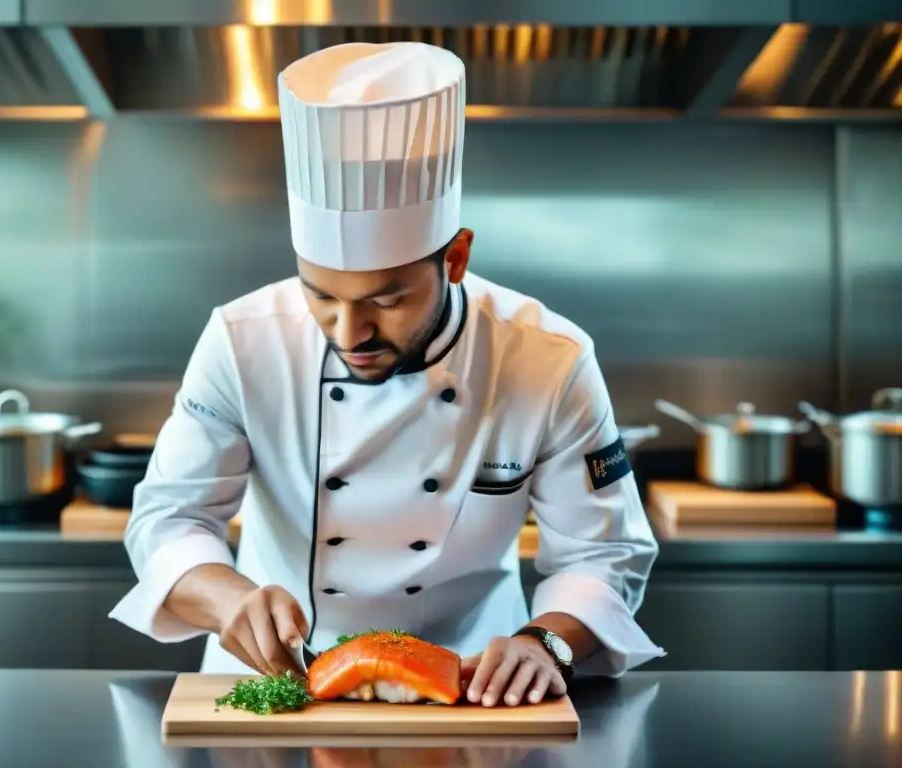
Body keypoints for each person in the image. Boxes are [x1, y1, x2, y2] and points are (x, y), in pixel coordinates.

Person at [109, 40, 665, 707]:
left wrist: (547, 641)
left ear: (455, 257)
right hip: (275, 687)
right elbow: (168, 518)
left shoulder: (548, 359)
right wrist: (228, 599)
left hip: (474, 691)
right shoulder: (241, 341)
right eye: (321, 296)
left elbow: (603, 555)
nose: (350, 334)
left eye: (386, 300)